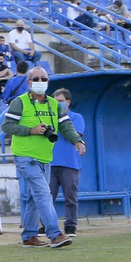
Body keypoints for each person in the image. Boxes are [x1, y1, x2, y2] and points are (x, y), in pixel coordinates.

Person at [1, 67, 83, 248]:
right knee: (44, 194)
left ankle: (29, 236)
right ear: (29, 83)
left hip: (45, 158)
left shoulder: (54, 104)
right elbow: (7, 126)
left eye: (43, 78)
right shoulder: (19, 102)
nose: (40, 81)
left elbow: (66, 125)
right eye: (36, 79)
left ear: (47, 81)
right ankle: (54, 234)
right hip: (25, 157)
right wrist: (30, 130)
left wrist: (77, 140)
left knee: (34, 198)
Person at [47, 88, 85, 238]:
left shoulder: (76, 117)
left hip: (70, 163)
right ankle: (47, 225)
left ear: (68, 102)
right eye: (55, 101)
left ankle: (70, 226)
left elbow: (75, 134)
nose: (58, 104)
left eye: (61, 101)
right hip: (50, 163)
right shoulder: (49, 117)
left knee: (71, 197)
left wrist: (59, 123)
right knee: (48, 197)